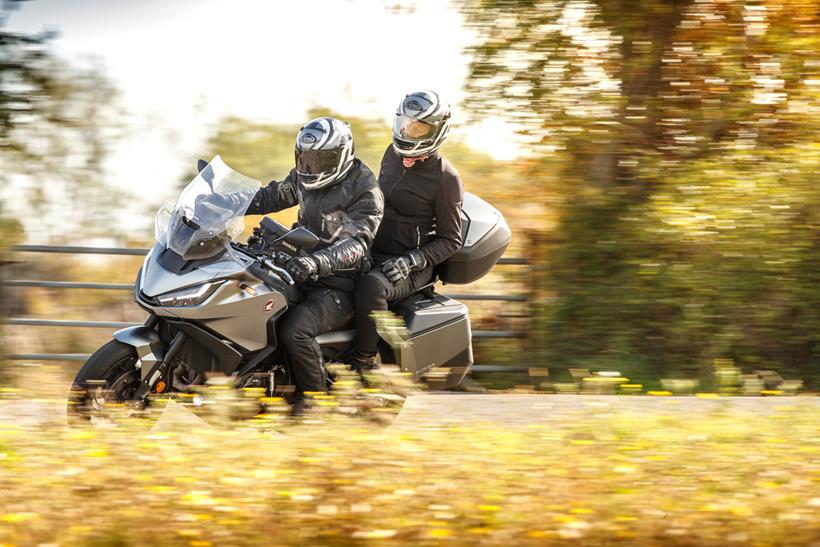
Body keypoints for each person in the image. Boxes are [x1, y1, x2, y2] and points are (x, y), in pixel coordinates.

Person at [245, 116, 383, 415]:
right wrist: (226, 201)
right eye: (305, 158)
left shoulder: (364, 190)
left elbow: (356, 245)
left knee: (295, 329)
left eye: (320, 159)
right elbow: (272, 195)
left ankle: (314, 404)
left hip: (339, 284)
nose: (311, 167)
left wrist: (317, 262)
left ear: (341, 155)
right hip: (299, 268)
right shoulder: (305, 177)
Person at [349, 90, 464, 372]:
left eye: (417, 127)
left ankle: (363, 363)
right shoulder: (392, 155)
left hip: (412, 263)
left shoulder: (446, 178)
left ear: (436, 131)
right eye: (404, 122)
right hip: (375, 248)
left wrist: (411, 261)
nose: (407, 131)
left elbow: (452, 240)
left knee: (373, 286)